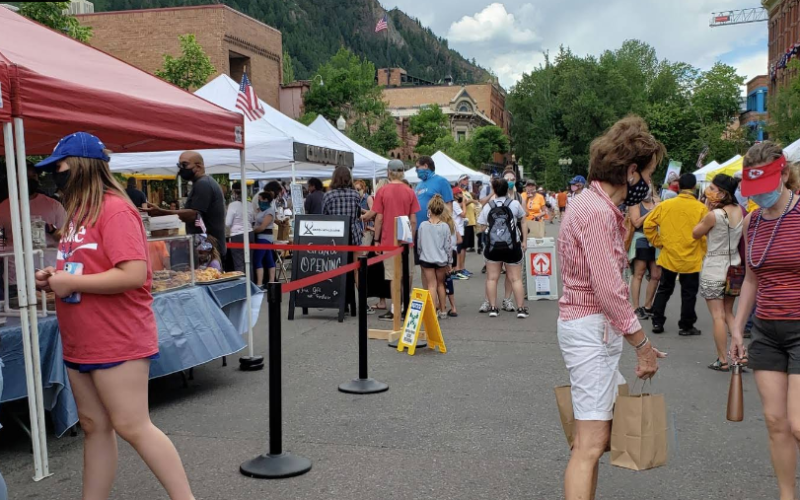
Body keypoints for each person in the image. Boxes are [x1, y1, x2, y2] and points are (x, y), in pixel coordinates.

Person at [33, 132, 194, 500]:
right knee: (94, 426)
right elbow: (84, 268)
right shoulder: (77, 213)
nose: (53, 175)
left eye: (58, 167)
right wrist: (54, 280)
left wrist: (71, 281)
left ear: (81, 167)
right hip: (81, 339)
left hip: (117, 337)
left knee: (132, 425)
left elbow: (134, 274)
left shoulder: (115, 209)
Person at [557, 117, 665, 500]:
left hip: (587, 325)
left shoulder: (590, 204)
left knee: (592, 440)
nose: (648, 184)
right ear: (631, 170)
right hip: (590, 327)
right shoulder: (599, 213)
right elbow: (608, 288)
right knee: (590, 443)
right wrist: (642, 344)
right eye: (648, 174)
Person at [730, 142, 800, 500]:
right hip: (767, 330)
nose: (760, 198)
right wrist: (737, 327)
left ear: (784, 174)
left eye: (766, 188)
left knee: (799, 423)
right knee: (777, 424)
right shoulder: (752, 222)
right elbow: (751, 280)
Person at [644, 173, 708, 335]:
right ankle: (686, 325)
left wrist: (659, 242)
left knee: (664, 289)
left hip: (669, 254)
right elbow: (706, 234)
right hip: (691, 257)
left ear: (678, 187)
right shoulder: (701, 208)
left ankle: (657, 322)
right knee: (689, 293)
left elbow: (648, 225)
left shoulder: (665, 205)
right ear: (694, 187)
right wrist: (703, 251)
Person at [692, 174, 744, 371]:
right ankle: (740, 355)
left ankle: (723, 359)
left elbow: (695, 233)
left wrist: (706, 209)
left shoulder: (714, 215)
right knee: (729, 313)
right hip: (735, 266)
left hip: (715, 267)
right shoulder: (740, 211)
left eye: (713, 189)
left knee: (717, 316)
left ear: (723, 193)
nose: (709, 192)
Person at [144, 151, 226, 259]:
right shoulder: (202, 183)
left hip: (209, 251)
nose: (181, 168)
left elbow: (194, 215)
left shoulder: (203, 184)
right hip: (206, 249)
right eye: (179, 165)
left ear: (198, 166)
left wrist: (161, 212)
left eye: (184, 165)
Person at [0, 162, 67, 286]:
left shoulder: (53, 205)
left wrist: (52, 230)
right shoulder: (4, 207)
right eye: (25, 176)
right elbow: (1, 239)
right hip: (16, 276)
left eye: (33, 176)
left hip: (48, 272)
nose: (30, 180)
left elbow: (68, 237)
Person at [371, 160, 420, 322]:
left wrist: (376, 240)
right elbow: (413, 220)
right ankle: (406, 305)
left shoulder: (383, 191)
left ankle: (395, 308)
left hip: (388, 240)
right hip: (405, 240)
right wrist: (410, 238)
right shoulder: (409, 191)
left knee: (393, 276)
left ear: (389, 172)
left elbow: (379, 218)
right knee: (407, 274)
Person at [478, 177, 528, 318]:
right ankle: (521, 309)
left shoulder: (488, 206)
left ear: (494, 190)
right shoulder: (515, 204)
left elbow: (481, 227)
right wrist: (524, 240)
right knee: (515, 279)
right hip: (513, 246)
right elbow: (523, 221)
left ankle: (493, 308)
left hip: (493, 247)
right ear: (507, 189)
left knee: (492, 278)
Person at [323, 167, 363, 315]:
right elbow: (358, 215)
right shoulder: (355, 195)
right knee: (355, 270)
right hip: (353, 235)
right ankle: (359, 302)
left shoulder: (329, 196)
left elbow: (324, 216)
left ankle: (341, 301)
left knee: (338, 270)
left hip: (335, 236)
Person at [413, 156, 453, 287]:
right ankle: (429, 300)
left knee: (438, 269)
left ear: (425, 166)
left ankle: (439, 302)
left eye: (417, 167)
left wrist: (446, 227)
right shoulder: (419, 185)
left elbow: (448, 206)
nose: (416, 170)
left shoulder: (441, 182)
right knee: (424, 267)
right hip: (421, 230)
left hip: (436, 230)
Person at [417, 195, 454, 320]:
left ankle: (433, 311)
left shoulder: (422, 225)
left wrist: (420, 253)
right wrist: (450, 262)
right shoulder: (445, 226)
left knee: (431, 285)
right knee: (440, 284)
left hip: (427, 259)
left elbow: (419, 244)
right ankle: (443, 310)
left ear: (430, 210)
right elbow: (448, 246)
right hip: (441, 260)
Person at [627, 188, 661, 319]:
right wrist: (652, 212)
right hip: (640, 239)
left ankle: (648, 306)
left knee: (656, 274)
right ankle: (635, 307)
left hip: (656, 240)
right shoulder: (635, 203)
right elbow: (636, 222)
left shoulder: (657, 202)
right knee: (639, 273)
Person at [225, 181, 253, 273]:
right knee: (250, 263)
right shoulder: (249, 204)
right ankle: (251, 284)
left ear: (233, 192)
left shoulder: (232, 205)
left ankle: (242, 285)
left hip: (237, 236)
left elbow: (227, 223)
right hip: (250, 234)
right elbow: (253, 219)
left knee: (239, 263)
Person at [252, 191, 276, 286]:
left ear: (266, 200)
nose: (259, 201)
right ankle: (271, 282)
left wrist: (252, 231)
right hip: (263, 238)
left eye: (260, 199)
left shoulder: (269, 211)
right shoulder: (261, 210)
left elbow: (263, 227)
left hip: (264, 237)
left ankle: (259, 283)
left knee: (257, 260)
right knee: (269, 259)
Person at [457, 175, 478, 254]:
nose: (467, 181)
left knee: (466, 246)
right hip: (464, 221)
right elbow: (460, 204)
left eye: (467, 179)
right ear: (460, 181)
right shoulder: (459, 192)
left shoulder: (466, 192)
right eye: (465, 179)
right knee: (462, 245)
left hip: (470, 221)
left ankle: (462, 265)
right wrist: (472, 201)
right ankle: (460, 265)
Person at [450, 186, 468, 280]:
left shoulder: (455, 203)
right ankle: (456, 270)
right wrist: (464, 204)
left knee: (459, 250)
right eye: (460, 193)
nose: (462, 195)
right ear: (456, 195)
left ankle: (458, 269)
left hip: (459, 229)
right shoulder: (454, 203)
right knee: (457, 251)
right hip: (458, 230)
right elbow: (463, 214)